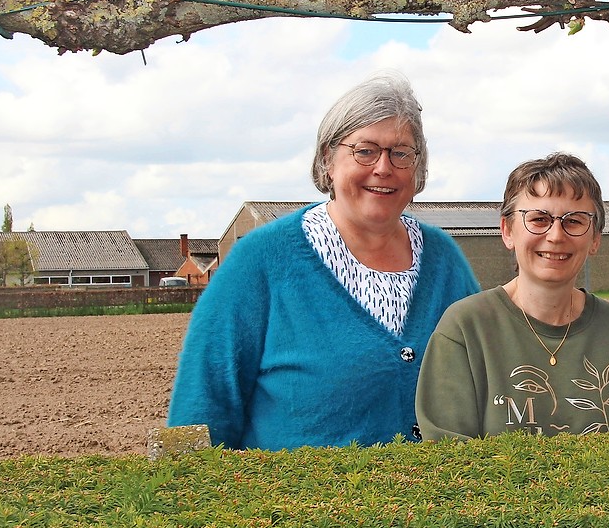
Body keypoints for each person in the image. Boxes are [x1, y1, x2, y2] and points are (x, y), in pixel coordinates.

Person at [167, 71, 479, 449]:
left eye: (401, 153)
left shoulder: (445, 261)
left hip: (434, 504)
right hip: (294, 505)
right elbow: (202, 408)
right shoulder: (260, 261)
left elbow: (485, 381)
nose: (384, 168)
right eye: (365, 150)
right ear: (328, 160)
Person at [416, 153, 609, 439]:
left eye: (575, 221)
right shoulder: (466, 328)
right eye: (538, 219)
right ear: (507, 231)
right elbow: (450, 456)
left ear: (596, 239)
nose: (555, 235)